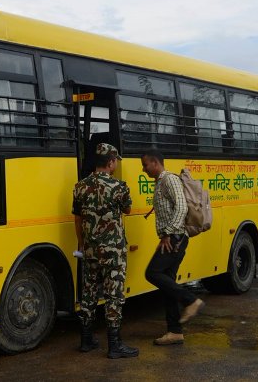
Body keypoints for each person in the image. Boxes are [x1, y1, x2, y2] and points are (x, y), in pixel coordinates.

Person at [72, 143, 138, 359]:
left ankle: (86, 340)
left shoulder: (80, 186)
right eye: (115, 161)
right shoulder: (120, 186)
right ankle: (114, 344)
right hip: (114, 251)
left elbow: (77, 217)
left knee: (89, 292)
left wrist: (81, 243)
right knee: (114, 295)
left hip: (90, 249)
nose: (116, 164)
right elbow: (128, 209)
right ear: (110, 162)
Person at [141, 149, 204, 346]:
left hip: (175, 237)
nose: (143, 169)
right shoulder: (159, 182)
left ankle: (190, 300)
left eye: (145, 165)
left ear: (155, 163)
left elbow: (182, 207)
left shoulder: (169, 180)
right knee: (167, 282)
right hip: (172, 236)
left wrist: (168, 233)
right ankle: (175, 331)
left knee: (152, 273)